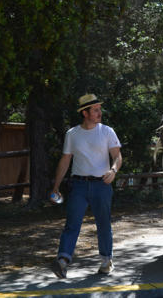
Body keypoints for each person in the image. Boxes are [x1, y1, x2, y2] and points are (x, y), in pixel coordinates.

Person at [51, 94, 122, 279]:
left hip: (102, 185)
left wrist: (113, 170)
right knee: (72, 224)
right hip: (78, 186)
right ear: (85, 113)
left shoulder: (107, 131)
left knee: (104, 224)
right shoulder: (72, 134)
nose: (100, 113)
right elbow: (65, 161)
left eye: (99, 109)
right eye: (95, 110)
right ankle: (62, 261)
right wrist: (56, 186)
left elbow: (117, 156)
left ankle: (106, 260)